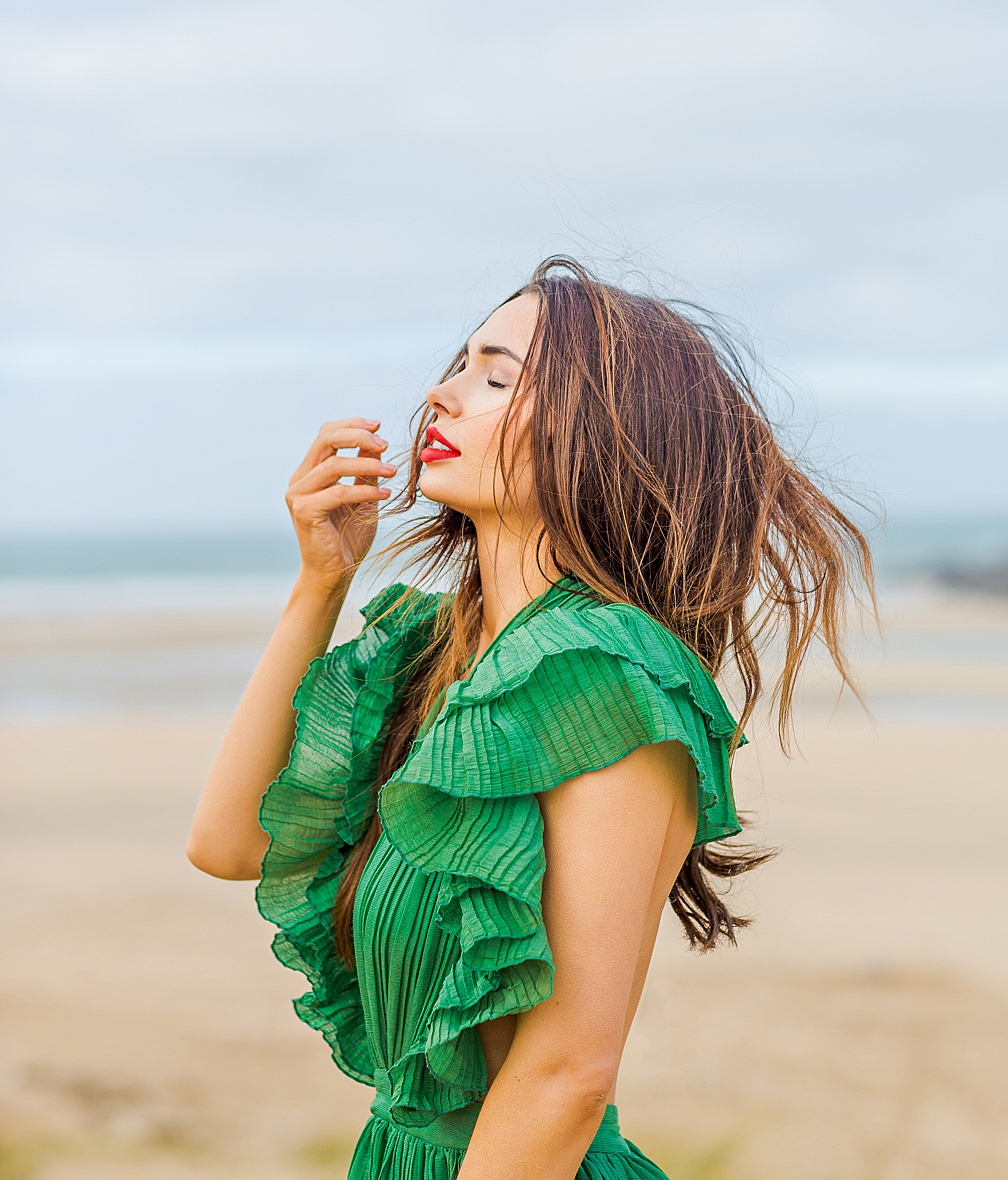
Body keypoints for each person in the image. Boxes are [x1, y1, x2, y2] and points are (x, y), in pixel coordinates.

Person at [188, 257, 870, 1180]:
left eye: (496, 376)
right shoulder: (431, 657)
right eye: (459, 364)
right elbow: (233, 846)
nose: (441, 393)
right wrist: (322, 582)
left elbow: (565, 1076)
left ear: (603, 430)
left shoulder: (606, 674)